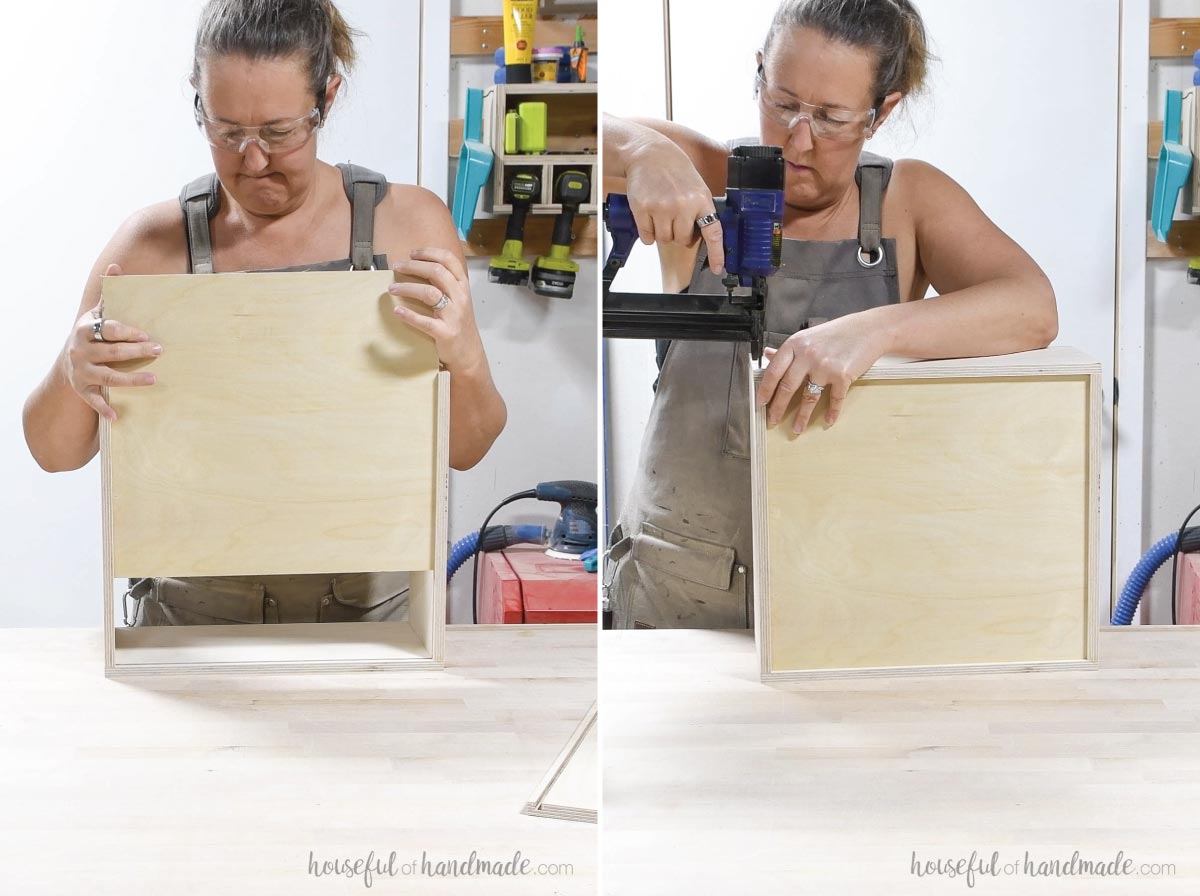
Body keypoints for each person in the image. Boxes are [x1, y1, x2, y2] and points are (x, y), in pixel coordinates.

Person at [22, 0, 507, 626]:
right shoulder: (148, 248)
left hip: (372, 618)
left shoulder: (410, 226)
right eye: (226, 132)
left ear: (327, 99)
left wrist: (464, 355)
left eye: (280, 133)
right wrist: (73, 368)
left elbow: (468, 448)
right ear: (198, 102)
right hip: (188, 618)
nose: (252, 160)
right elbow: (53, 452)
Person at [603, 0, 1058, 630]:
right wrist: (641, 149)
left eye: (831, 118)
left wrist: (872, 330)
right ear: (759, 73)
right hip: (676, 590)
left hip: (844, 592)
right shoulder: (702, 173)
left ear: (882, 113)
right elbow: (582, 132)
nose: (798, 140)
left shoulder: (908, 202)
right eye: (782, 102)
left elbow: (1032, 308)